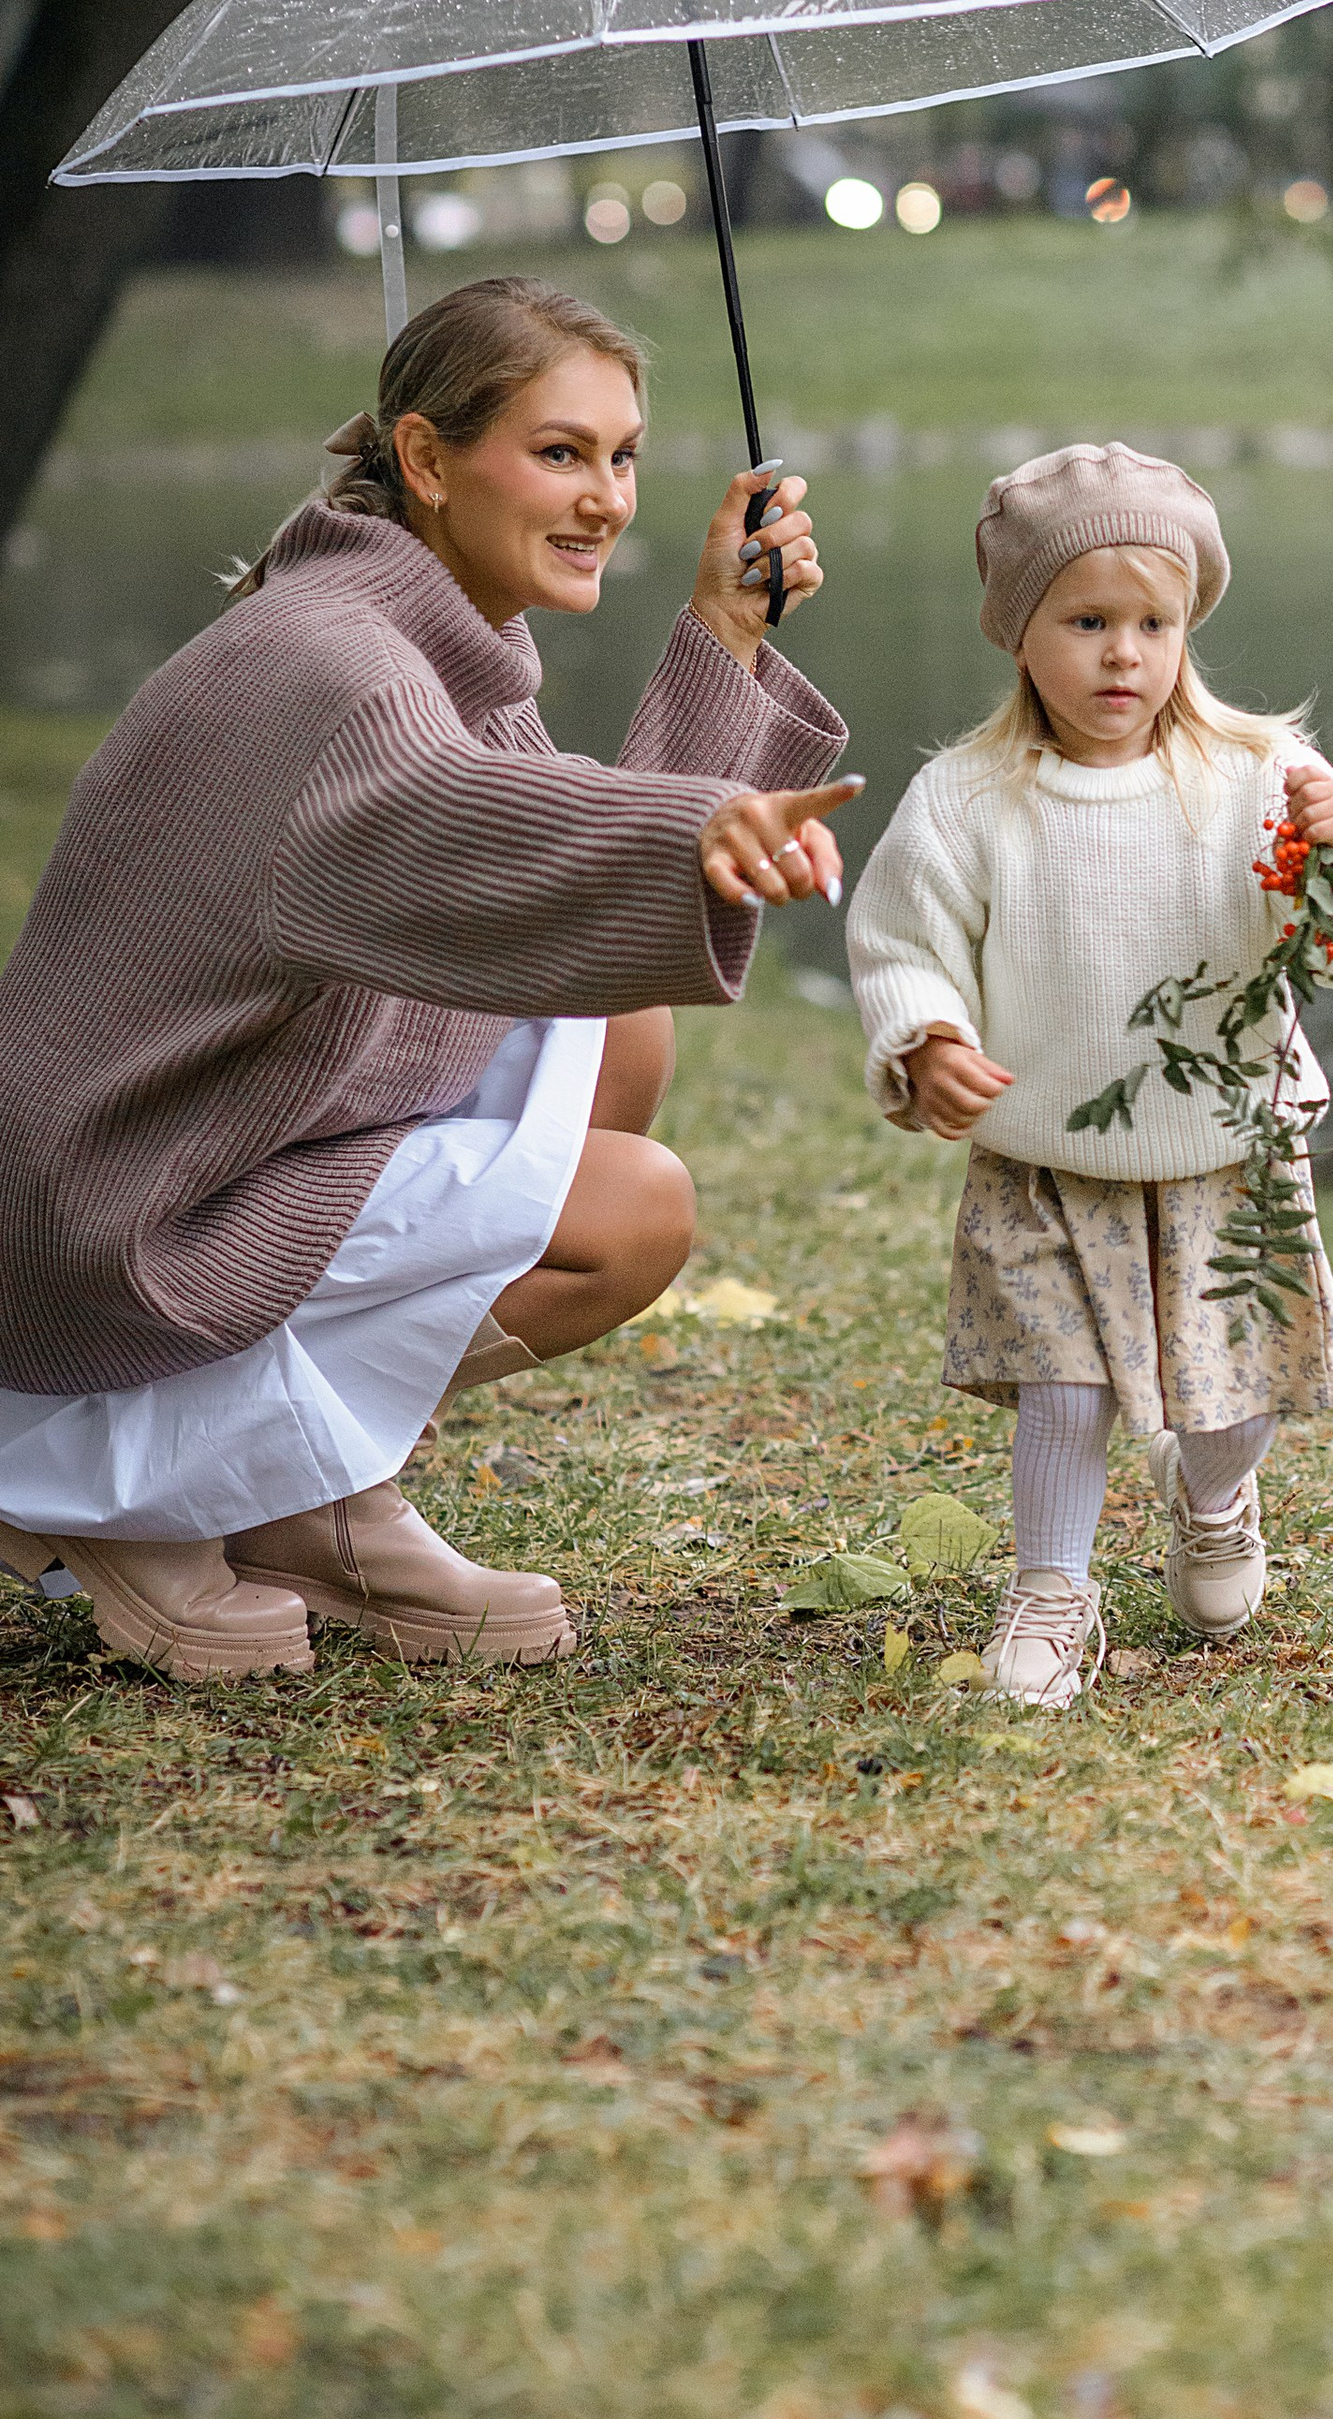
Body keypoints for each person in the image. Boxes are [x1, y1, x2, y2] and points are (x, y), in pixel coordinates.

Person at [0, 274, 853, 1684]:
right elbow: (462, 815)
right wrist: (697, 824)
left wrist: (725, 636)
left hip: (197, 1155)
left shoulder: (420, 636)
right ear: (425, 456)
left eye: (623, 454)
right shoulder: (336, 662)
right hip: (102, 1223)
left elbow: (558, 875)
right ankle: (129, 1486)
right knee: (632, 1210)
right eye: (560, 452)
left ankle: (302, 1489)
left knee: (621, 1031)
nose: (605, 498)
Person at [844, 440, 1333, 1707]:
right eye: (1087, 619)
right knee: (1064, 1390)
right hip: (1050, 1156)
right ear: (1019, 633)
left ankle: (1213, 1491)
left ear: (1187, 628)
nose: (1122, 654)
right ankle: (1051, 1589)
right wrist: (923, 1038)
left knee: (1228, 1394)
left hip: (1223, 1150)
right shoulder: (969, 799)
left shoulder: (1256, 778)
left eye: (1151, 622)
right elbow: (901, 943)